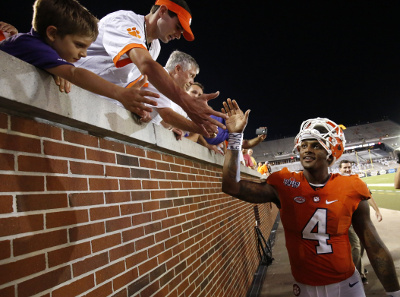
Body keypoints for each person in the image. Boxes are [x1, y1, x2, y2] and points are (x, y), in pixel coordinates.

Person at [221, 98, 400, 297]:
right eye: (304, 145)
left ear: (331, 157)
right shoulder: (283, 184)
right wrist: (235, 137)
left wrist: (394, 292)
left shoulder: (351, 187)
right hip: (305, 287)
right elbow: (231, 186)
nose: (307, 149)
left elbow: (373, 245)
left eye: (316, 146)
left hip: (347, 285)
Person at [74, 0, 226, 136]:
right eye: (178, 27)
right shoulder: (125, 20)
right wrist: (186, 101)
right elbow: (145, 64)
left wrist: (137, 106)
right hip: (73, 87)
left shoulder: (155, 47)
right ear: (163, 11)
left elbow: (133, 83)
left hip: (98, 104)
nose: (179, 35)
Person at [0, 0, 159, 114]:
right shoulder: (31, 44)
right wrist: (120, 93)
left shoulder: (42, 50)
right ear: (52, 33)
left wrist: (57, 69)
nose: (84, 54)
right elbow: (75, 73)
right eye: (79, 45)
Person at [339, 159, 383, 286]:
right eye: (345, 168)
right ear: (340, 169)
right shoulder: (336, 183)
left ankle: (359, 267)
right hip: (346, 220)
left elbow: (367, 195)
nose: (347, 170)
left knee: (362, 245)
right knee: (356, 246)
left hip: (359, 219)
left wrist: (377, 210)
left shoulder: (357, 181)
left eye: (349, 167)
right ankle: (357, 275)